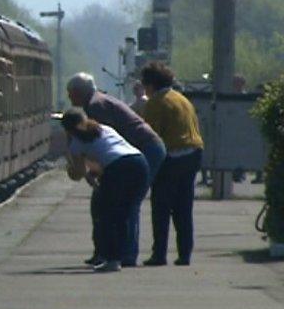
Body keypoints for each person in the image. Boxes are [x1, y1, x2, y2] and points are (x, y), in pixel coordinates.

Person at [67, 73, 166, 267]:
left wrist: (94, 172)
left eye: (70, 93)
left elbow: (99, 142)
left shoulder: (96, 106)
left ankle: (124, 255)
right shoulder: (98, 101)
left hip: (143, 149)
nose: (69, 97)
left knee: (126, 203)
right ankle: (111, 252)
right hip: (137, 152)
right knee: (120, 203)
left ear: (78, 92)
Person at [61, 108, 150, 272]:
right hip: (139, 163)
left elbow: (78, 173)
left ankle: (112, 259)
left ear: (68, 129)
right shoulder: (104, 128)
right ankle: (124, 255)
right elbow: (106, 155)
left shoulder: (76, 142)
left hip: (117, 168)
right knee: (124, 213)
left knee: (107, 216)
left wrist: (71, 161)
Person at [140, 62, 204, 266]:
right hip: (193, 153)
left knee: (161, 206)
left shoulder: (156, 102)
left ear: (150, 85)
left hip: (172, 156)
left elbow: (151, 137)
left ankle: (159, 254)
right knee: (183, 206)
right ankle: (185, 254)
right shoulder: (182, 99)